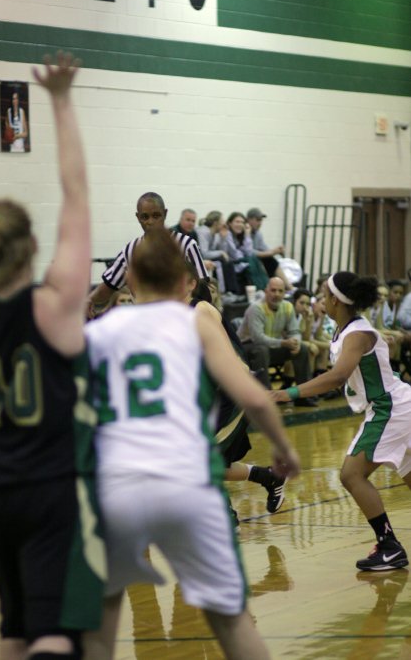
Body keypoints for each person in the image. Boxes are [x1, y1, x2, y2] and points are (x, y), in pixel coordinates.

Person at [84, 229, 300, 660]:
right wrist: (282, 447)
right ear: (184, 281)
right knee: (230, 622)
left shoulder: (104, 330)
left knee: (115, 620)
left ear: (130, 281)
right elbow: (253, 394)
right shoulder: (196, 320)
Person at [0, 52, 106, 660]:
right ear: (30, 246)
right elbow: (76, 194)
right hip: (48, 488)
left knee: (12, 628)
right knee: (53, 633)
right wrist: (61, 99)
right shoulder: (58, 303)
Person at [272, 271, 411, 571]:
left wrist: (288, 393)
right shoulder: (345, 330)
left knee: (351, 475)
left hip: (391, 409)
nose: (322, 299)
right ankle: (390, 547)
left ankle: (389, 546)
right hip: (398, 406)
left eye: (324, 293)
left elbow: (337, 377)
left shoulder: (357, 334)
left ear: (335, 299)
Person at [184, 264, 287, 520]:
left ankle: (225, 516)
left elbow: (228, 357)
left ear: (189, 283)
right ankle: (268, 477)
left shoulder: (201, 308)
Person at [88, 192, 208, 315]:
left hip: (180, 319)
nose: (150, 222)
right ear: (138, 217)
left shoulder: (187, 244)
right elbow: (108, 286)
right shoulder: (131, 249)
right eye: (145, 217)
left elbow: (203, 288)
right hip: (145, 319)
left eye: (156, 216)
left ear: (165, 214)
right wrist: (89, 300)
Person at [238, 277, 316, 406]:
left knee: (302, 348)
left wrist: (296, 342)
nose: (277, 294)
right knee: (261, 349)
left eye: (280, 291)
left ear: (285, 293)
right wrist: (283, 343)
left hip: (271, 347)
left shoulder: (288, 307)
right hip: (246, 349)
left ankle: (303, 396)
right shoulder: (256, 308)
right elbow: (258, 338)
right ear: (266, 291)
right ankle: (267, 398)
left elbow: (294, 331)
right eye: (273, 290)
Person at [246, 208, 294, 291]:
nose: (260, 223)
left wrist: (276, 251)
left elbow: (264, 249)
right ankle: (280, 287)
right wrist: (272, 252)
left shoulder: (257, 234)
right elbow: (249, 252)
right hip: (243, 259)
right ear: (249, 220)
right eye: (257, 220)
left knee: (270, 259)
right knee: (264, 259)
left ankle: (286, 286)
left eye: (261, 220)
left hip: (253, 258)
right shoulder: (244, 232)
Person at [226, 212, 269, 292]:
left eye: (242, 222)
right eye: (237, 222)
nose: (240, 224)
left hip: (240, 262)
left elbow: (249, 252)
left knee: (255, 260)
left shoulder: (240, 236)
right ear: (230, 223)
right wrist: (245, 257)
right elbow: (235, 255)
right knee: (252, 261)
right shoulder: (227, 234)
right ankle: (262, 288)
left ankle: (265, 288)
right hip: (231, 264)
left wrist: (247, 234)